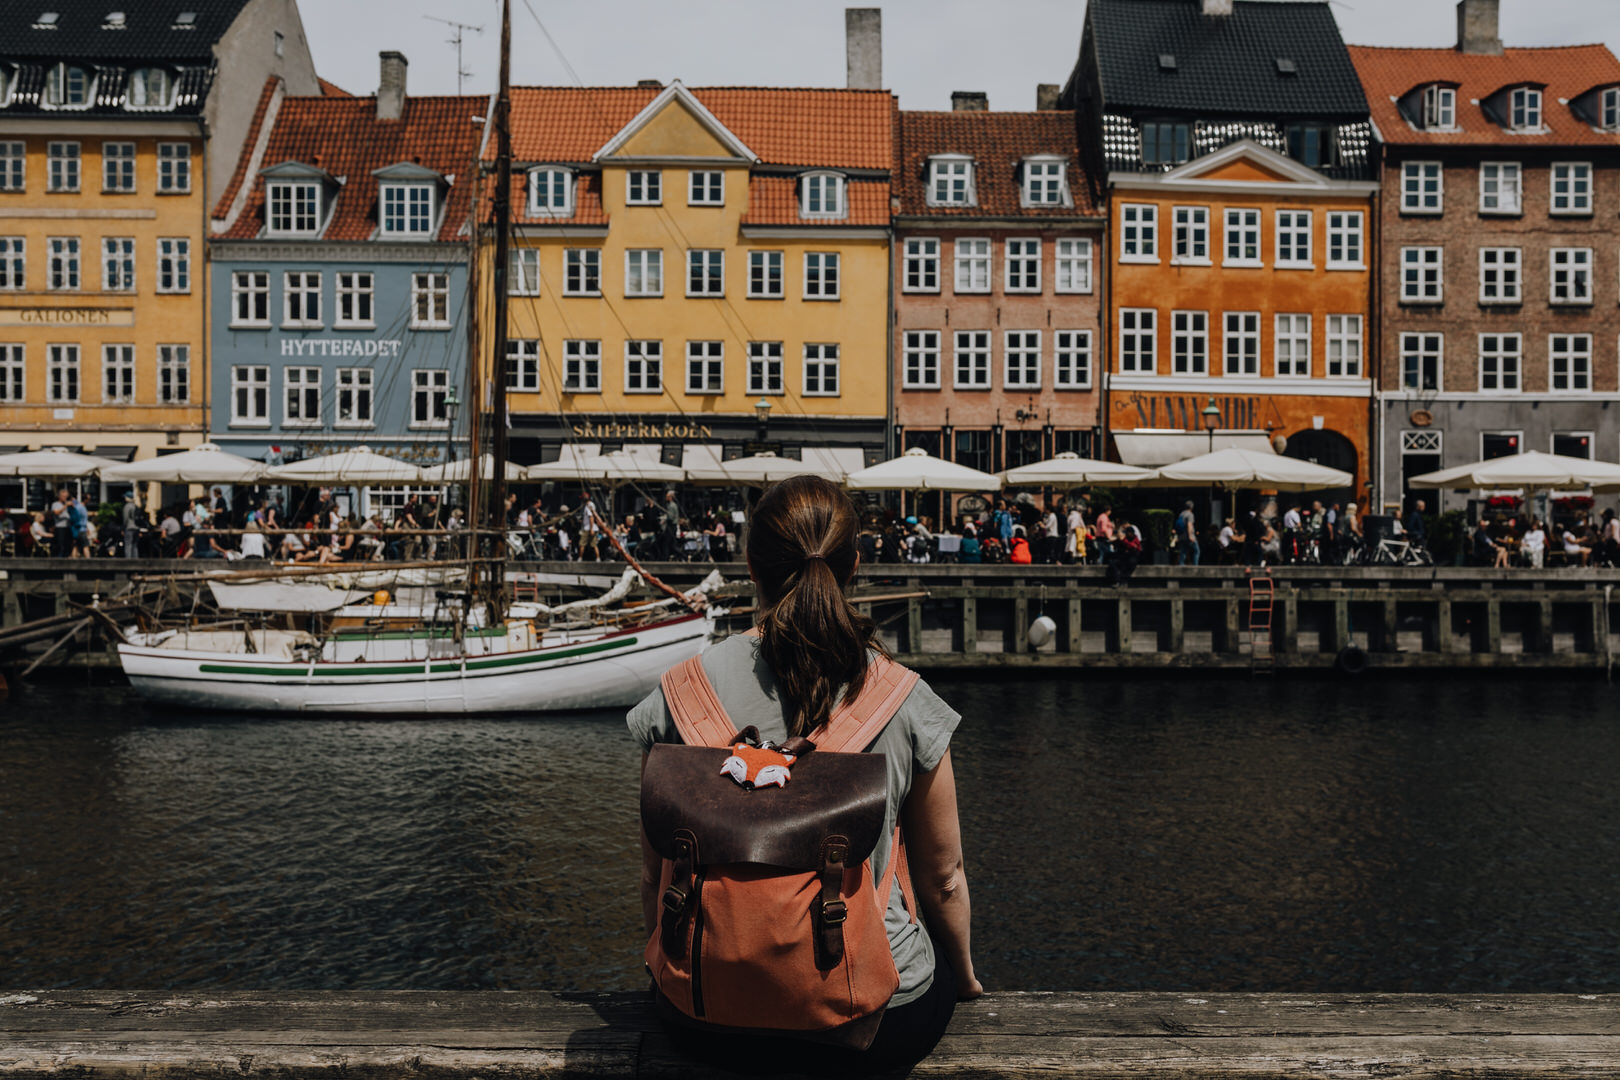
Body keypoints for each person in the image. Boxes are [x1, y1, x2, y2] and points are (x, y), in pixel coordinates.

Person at [628, 475, 980, 1072]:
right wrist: (964, 976)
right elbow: (943, 878)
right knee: (931, 974)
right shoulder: (903, 699)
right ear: (855, 566)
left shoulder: (679, 695)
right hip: (873, 1021)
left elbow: (652, 875)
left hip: (704, 1014)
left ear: (750, 564)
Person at [1175, 500, 1200, 567]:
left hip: (1181, 536)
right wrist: (1190, 536)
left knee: (1183, 551)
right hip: (1188, 536)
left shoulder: (1181, 514)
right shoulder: (1190, 514)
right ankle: (1195, 566)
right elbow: (1189, 525)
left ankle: (1181, 565)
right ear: (1191, 507)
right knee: (1196, 551)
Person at [121, 492, 142, 558]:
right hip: (137, 528)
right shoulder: (136, 506)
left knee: (128, 545)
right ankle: (136, 560)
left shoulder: (127, 506)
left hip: (129, 527)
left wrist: (123, 528)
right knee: (135, 545)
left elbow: (125, 519)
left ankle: (128, 561)